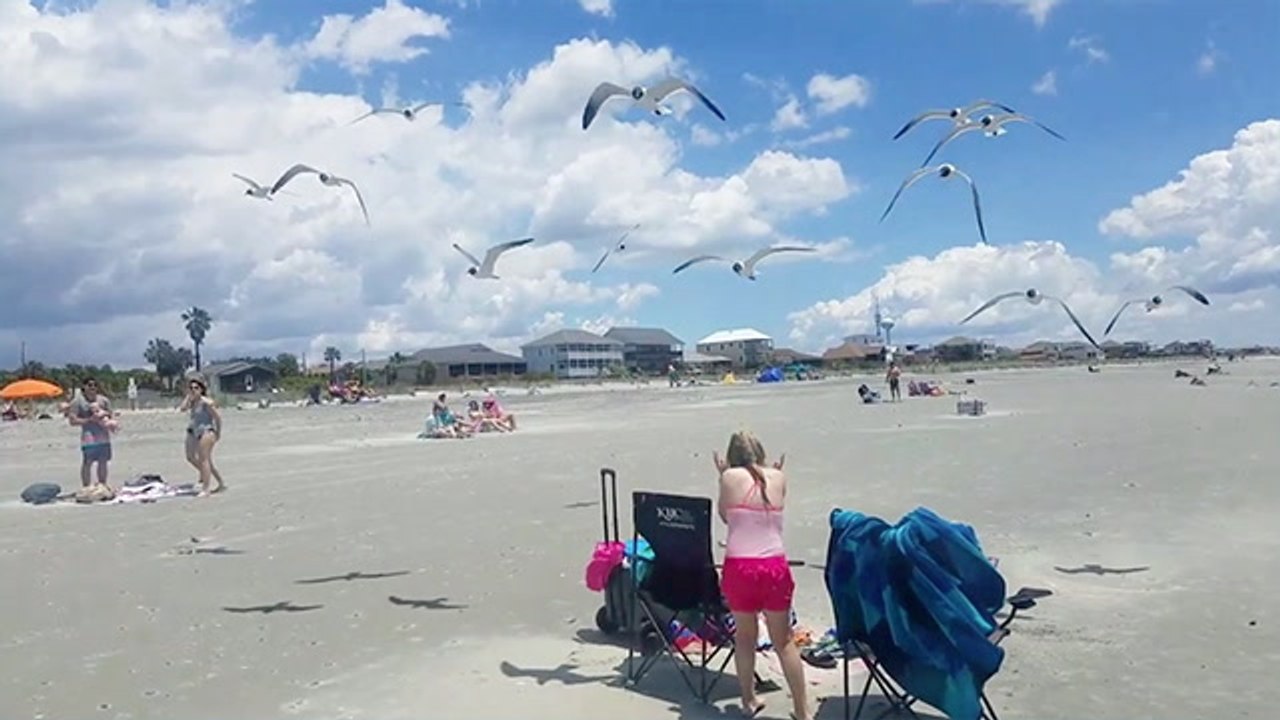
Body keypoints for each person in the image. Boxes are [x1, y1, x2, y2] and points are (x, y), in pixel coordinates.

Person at [713, 431, 810, 720]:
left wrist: (722, 475)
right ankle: (802, 711)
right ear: (761, 453)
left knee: (745, 637)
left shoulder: (728, 477)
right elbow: (773, 506)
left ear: (732, 456)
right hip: (773, 566)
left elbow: (726, 517)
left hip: (740, 567)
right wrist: (774, 474)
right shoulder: (778, 478)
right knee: (784, 640)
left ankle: (749, 700)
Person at [179, 374, 225, 497]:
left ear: (201, 389)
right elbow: (182, 409)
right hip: (193, 430)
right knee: (190, 457)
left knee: (204, 459)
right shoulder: (192, 401)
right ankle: (217, 480)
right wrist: (188, 397)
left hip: (206, 431)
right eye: (191, 388)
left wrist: (218, 433)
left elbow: (218, 418)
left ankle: (206, 488)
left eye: (196, 387)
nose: (193, 390)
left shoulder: (206, 403)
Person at [66, 377, 115, 490]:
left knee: (103, 461)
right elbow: (72, 421)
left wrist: (108, 420)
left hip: (104, 436)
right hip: (89, 437)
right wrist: (89, 420)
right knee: (88, 462)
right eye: (89, 385)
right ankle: (86, 486)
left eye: (94, 385)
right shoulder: (77, 402)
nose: (92, 387)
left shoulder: (104, 400)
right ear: (84, 387)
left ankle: (102, 484)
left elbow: (111, 416)